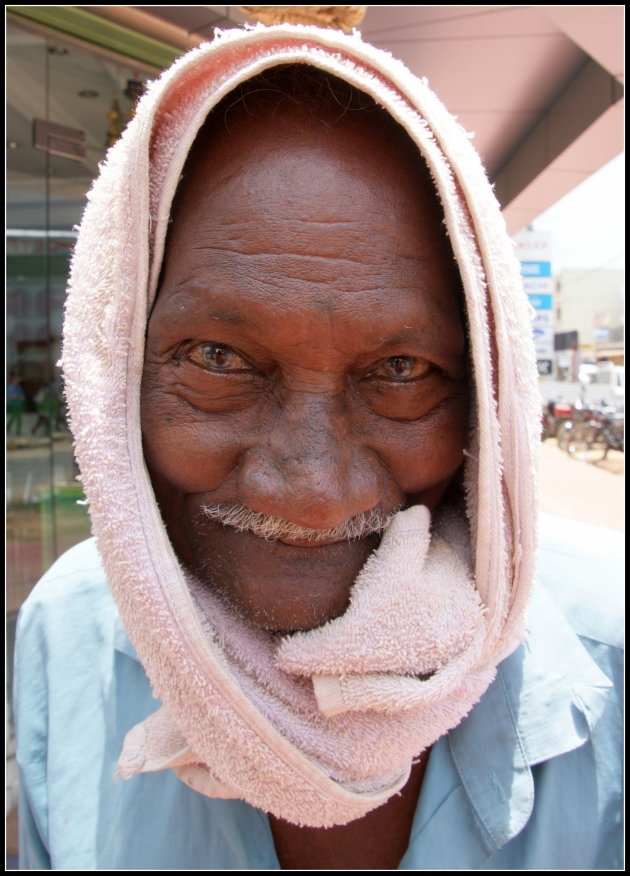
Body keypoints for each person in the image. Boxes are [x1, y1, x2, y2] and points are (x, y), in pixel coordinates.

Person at [14, 22, 622, 871]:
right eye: (218, 360)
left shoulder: (614, 667)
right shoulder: (64, 641)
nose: (313, 491)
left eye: (402, 370)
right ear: (114, 373)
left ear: (487, 394)